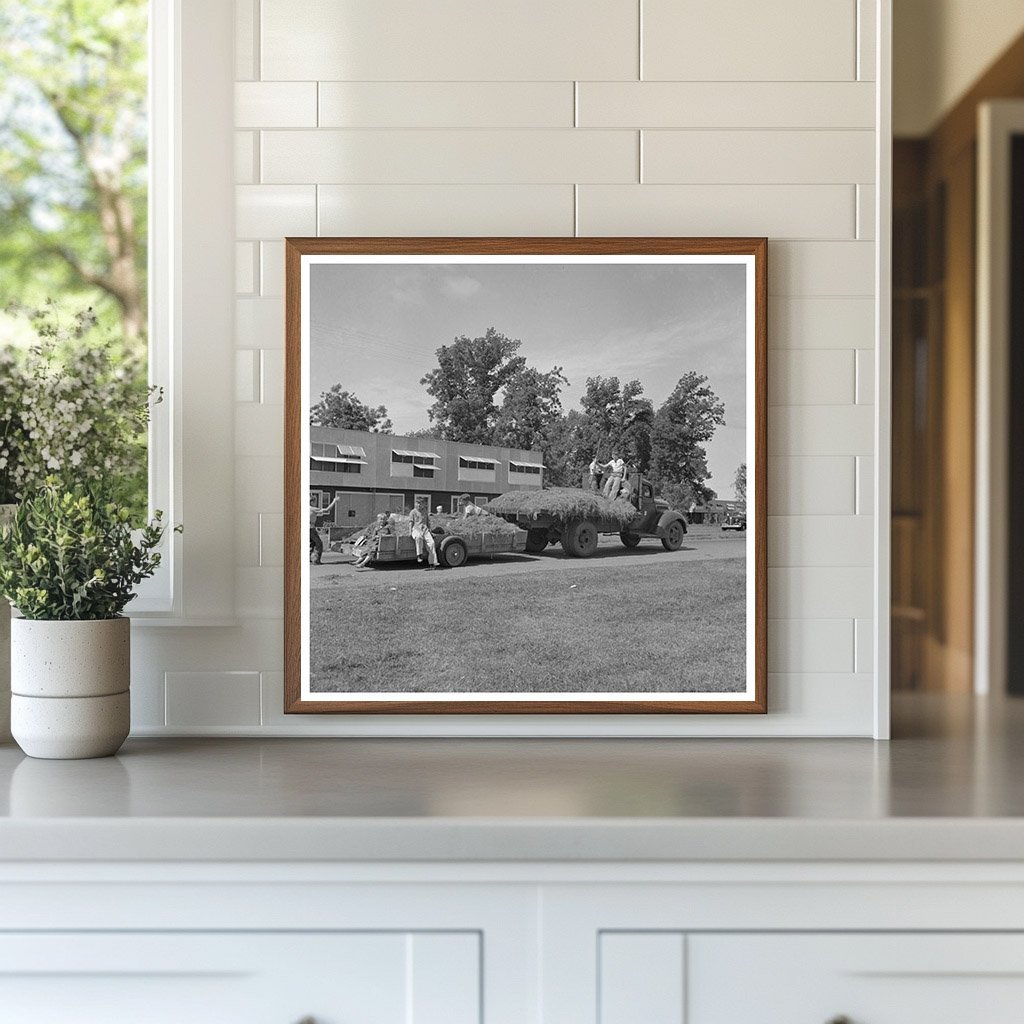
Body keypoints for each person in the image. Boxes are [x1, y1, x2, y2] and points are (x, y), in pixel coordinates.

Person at [409, 497, 439, 568]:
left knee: (432, 543)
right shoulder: (413, 512)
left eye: (421, 504)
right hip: (416, 529)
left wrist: (430, 530)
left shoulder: (425, 511)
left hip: (425, 529)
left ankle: (433, 562)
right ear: (415, 504)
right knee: (418, 538)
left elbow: (427, 522)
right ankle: (419, 555)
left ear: (423, 505)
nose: (419, 505)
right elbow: (411, 522)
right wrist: (410, 531)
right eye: (417, 503)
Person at [309, 494, 339, 564]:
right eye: (315, 502)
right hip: (310, 528)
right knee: (319, 544)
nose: (316, 503)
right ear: (312, 502)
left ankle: (308, 558)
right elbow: (327, 509)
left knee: (312, 543)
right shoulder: (313, 509)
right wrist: (334, 501)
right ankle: (316, 560)